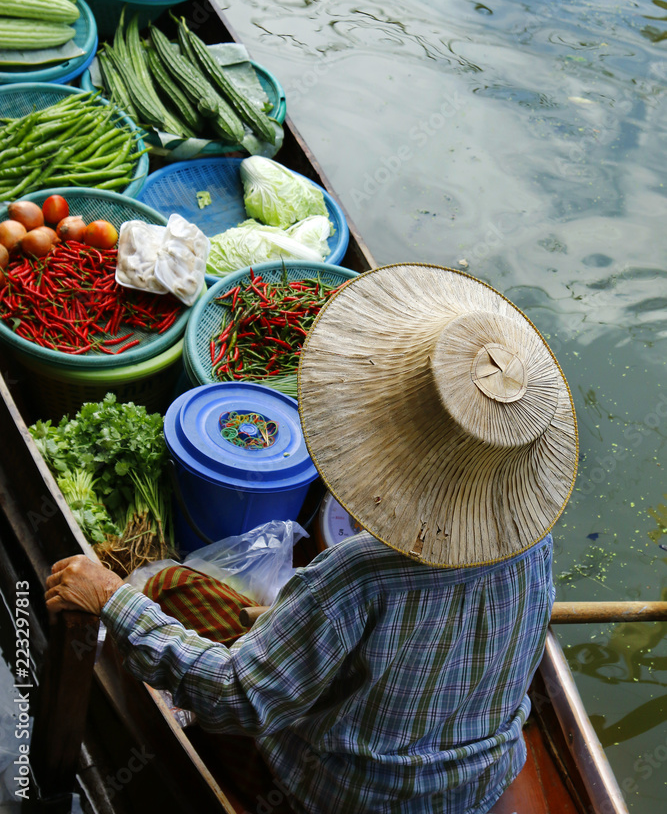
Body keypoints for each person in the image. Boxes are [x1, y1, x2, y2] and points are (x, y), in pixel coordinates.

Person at [45, 263, 578, 814]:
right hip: (481, 781)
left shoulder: (360, 574)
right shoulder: (532, 539)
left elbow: (238, 697)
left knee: (173, 585)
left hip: (343, 796)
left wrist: (112, 598)